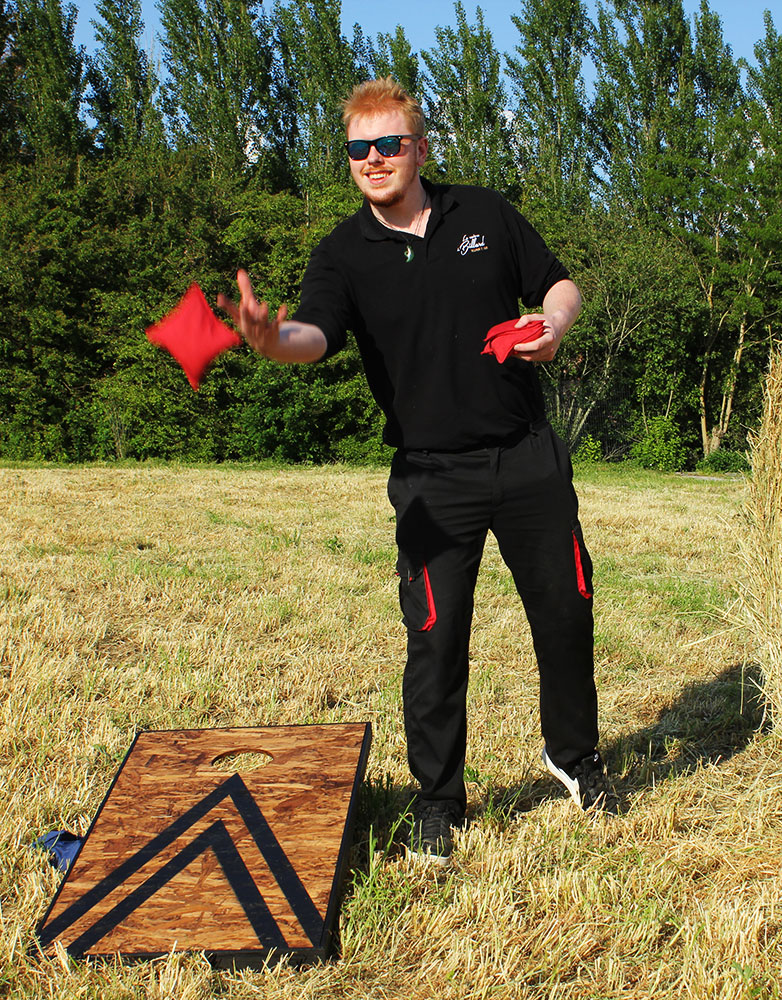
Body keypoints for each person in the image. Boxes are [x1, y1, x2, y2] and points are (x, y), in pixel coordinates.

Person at [219, 77, 618, 866]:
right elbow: (315, 334)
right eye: (359, 149)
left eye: (389, 144)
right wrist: (270, 340)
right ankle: (439, 800)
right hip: (433, 477)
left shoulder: (485, 214)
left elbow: (559, 282)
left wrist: (557, 322)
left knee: (567, 614)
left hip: (529, 455)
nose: (374, 160)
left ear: (419, 148)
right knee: (436, 640)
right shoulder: (343, 252)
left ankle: (575, 760)